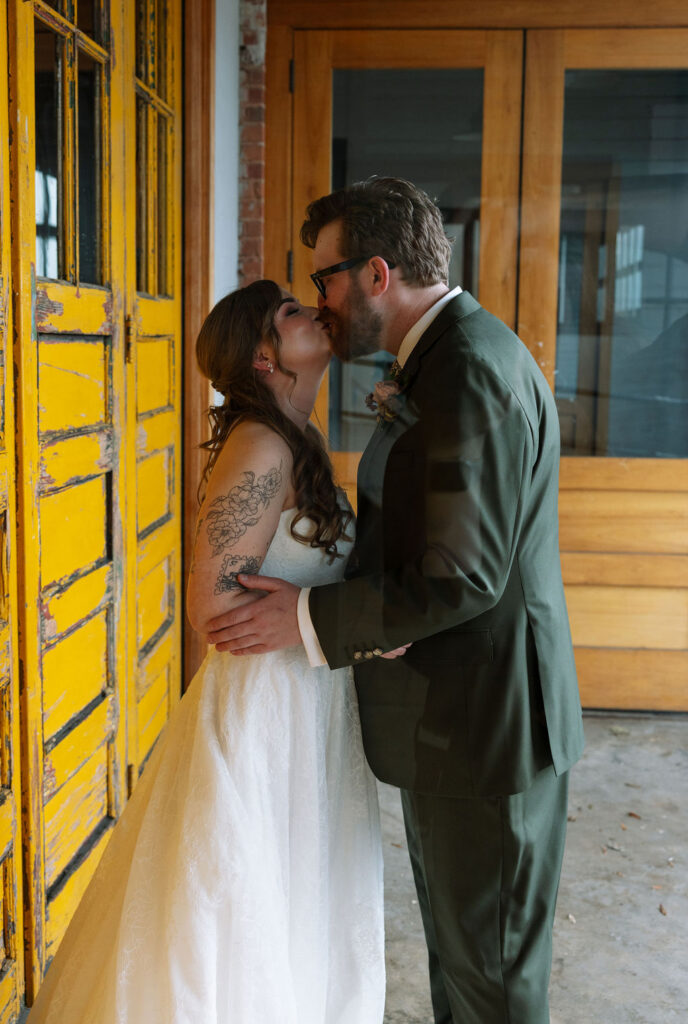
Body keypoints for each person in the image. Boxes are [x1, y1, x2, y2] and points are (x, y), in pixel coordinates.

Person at [208, 177, 586, 1024]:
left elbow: (462, 575)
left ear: (376, 275)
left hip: (488, 728)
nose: (320, 302)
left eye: (325, 281)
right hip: (458, 716)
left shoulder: (468, 373)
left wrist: (307, 618)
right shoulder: (446, 359)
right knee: (464, 964)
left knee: (489, 981)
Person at [27, 279, 386, 1024]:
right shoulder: (261, 446)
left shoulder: (297, 437)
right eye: (290, 312)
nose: (311, 311)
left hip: (311, 702)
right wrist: (310, 620)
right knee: (244, 902)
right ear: (263, 357)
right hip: (267, 708)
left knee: (300, 890)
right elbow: (211, 608)